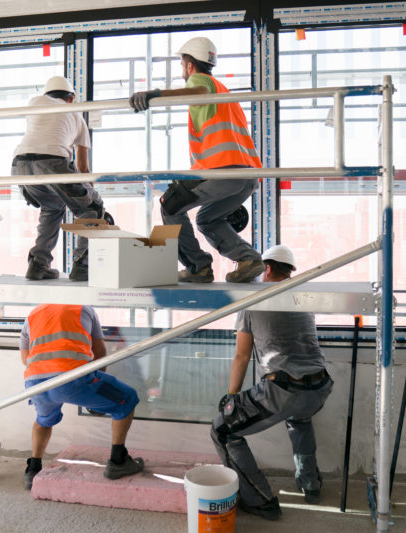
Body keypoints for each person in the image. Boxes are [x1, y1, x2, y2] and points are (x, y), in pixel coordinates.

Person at [209, 245, 334, 520]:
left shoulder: (254, 299)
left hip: (285, 390)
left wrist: (231, 397)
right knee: (300, 419)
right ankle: (310, 483)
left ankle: (259, 500)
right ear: (289, 271)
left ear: (266, 269)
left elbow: (242, 356)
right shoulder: (303, 296)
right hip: (320, 388)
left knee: (222, 431)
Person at [129, 37, 265, 284]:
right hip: (246, 175)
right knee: (207, 219)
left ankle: (197, 268)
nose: (183, 71)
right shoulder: (223, 90)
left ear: (190, 65)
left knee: (170, 205)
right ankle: (248, 259)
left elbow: (198, 90)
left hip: (222, 170)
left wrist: (156, 94)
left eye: (182, 65)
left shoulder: (200, 80)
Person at [20, 303, 144, 489]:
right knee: (127, 399)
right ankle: (118, 462)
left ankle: (33, 469)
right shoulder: (83, 308)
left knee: (43, 421)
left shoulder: (33, 314)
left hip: (36, 384)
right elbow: (100, 353)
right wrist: (95, 387)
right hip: (73, 379)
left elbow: (25, 358)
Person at [13, 75, 108, 282]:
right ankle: (83, 266)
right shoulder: (77, 117)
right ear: (71, 98)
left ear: (47, 94)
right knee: (91, 210)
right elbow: (83, 168)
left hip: (20, 167)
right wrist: (91, 197)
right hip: (53, 164)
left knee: (53, 207)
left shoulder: (35, 103)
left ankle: (39, 265)